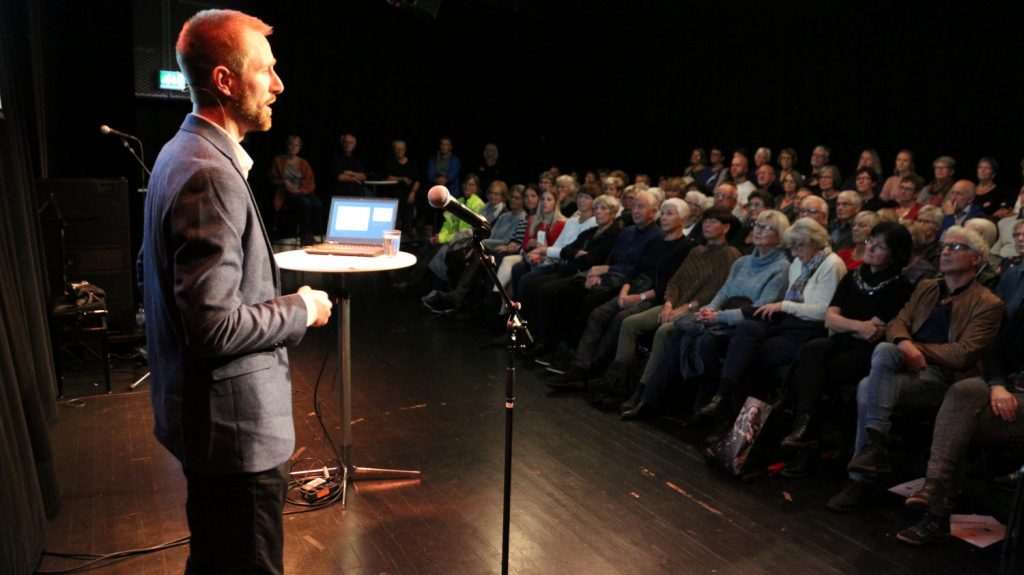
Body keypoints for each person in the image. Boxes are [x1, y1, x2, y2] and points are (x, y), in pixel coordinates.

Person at [140, 10, 333, 573]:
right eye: (265, 71)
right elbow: (213, 326)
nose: (278, 84)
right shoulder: (211, 173)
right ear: (225, 81)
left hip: (206, 426)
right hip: (234, 437)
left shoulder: (179, 152)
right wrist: (302, 308)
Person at [827, 226, 1004, 513]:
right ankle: (874, 448)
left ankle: (863, 475)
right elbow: (898, 322)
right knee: (884, 350)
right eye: (944, 246)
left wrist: (915, 348)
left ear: (976, 258)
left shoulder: (988, 303)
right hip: (906, 366)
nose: (945, 251)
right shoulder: (927, 287)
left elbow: (963, 354)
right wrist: (904, 344)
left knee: (866, 386)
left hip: (944, 377)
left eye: (956, 247)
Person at [695, 218, 847, 424]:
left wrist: (783, 305)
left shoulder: (832, 264)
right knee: (747, 329)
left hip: (809, 330)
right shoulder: (798, 263)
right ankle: (721, 397)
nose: (794, 253)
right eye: (792, 247)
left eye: (799, 247)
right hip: (786, 322)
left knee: (748, 357)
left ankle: (735, 423)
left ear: (815, 242)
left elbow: (823, 312)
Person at [781, 223, 914, 455]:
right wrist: (858, 326)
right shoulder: (853, 276)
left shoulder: (901, 287)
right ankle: (806, 425)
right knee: (813, 349)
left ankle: (811, 434)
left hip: (870, 352)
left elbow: (874, 333)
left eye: (881, 246)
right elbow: (829, 319)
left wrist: (845, 325)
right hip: (842, 342)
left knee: (818, 373)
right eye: (870, 241)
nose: (870, 248)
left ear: (895, 254)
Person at [615, 207, 742, 418]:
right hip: (674, 305)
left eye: (713, 222)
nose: (707, 225)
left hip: (697, 312)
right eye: (705, 221)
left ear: (726, 227)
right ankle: (618, 381)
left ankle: (643, 391)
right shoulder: (697, 251)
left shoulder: (730, 255)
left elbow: (715, 292)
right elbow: (675, 281)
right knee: (630, 323)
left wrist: (684, 308)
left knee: (664, 331)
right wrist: (668, 304)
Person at [269, 134, 320, 244]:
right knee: (306, 204)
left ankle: (311, 233)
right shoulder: (279, 160)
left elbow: (310, 181)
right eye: (291, 145)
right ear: (287, 146)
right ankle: (304, 235)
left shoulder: (303, 163)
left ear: (299, 147)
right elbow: (273, 178)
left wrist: (300, 190)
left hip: (301, 191)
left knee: (317, 204)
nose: (293, 147)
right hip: (286, 192)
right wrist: (284, 182)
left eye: (296, 145)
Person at [385, 138, 421, 236]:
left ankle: (411, 230)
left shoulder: (412, 163)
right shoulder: (391, 162)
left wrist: (413, 192)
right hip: (395, 192)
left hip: (410, 192)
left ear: (405, 150)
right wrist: (402, 179)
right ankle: (400, 232)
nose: (399, 151)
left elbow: (417, 180)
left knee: (416, 201)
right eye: (397, 148)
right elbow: (389, 177)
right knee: (401, 202)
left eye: (401, 149)